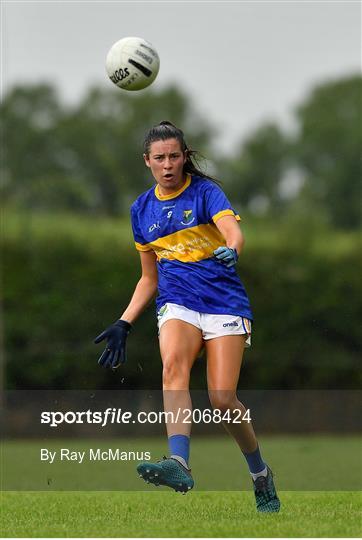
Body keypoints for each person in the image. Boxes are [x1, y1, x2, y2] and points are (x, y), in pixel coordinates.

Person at [94, 121, 280, 512]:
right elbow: (149, 277)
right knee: (173, 366)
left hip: (225, 303)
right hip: (176, 301)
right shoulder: (141, 210)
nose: (167, 165)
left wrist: (233, 249)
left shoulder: (205, 192)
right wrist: (124, 320)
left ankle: (260, 473)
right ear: (147, 161)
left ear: (184, 156)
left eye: (174, 156)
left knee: (222, 399)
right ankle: (179, 461)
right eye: (159, 158)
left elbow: (234, 232)